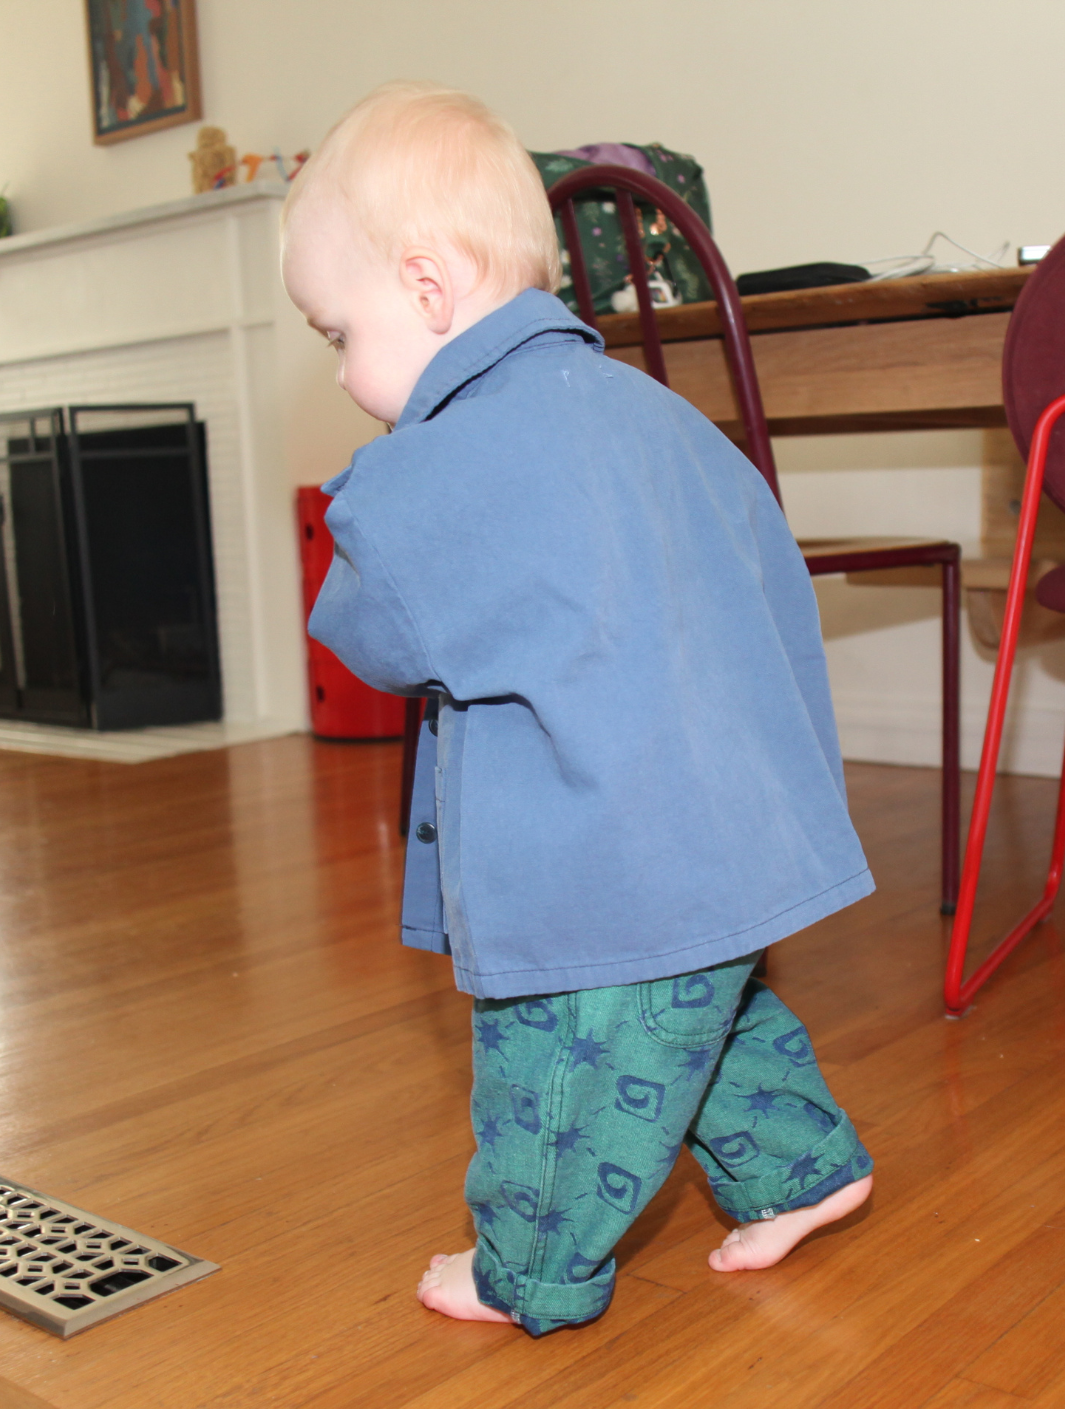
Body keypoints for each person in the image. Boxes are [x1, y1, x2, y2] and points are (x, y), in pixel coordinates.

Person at [281, 81, 875, 1337]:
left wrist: (380, 484)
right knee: (706, 1019)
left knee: (563, 1068)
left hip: (606, 870)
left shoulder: (468, 450)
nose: (340, 371)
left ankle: (530, 1270)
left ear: (429, 289)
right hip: (724, 843)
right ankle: (806, 1171)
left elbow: (365, 626)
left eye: (339, 331)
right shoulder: (661, 417)